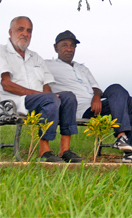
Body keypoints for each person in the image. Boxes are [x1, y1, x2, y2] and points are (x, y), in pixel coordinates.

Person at [44, 30, 132, 163]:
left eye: (72, 46)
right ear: (56, 47)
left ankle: (124, 141)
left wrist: (96, 97)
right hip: (80, 109)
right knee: (129, 101)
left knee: (119, 91)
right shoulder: (47, 65)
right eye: (64, 45)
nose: (69, 49)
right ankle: (130, 142)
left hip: (96, 104)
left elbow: (96, 88)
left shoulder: (81, 67)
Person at [0, 17, 83, 163]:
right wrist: (43, 96)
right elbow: (6, 84)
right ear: (10, 31)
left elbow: (47, 84)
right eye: (21, 29)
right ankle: (44, 151)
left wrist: (47, 95)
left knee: (69, 96)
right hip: (13, 101)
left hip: (38, 100)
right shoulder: (2, 52)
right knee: (50, 98)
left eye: (29, 31)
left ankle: (65, 150)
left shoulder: (35, 57)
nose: (25, 34)